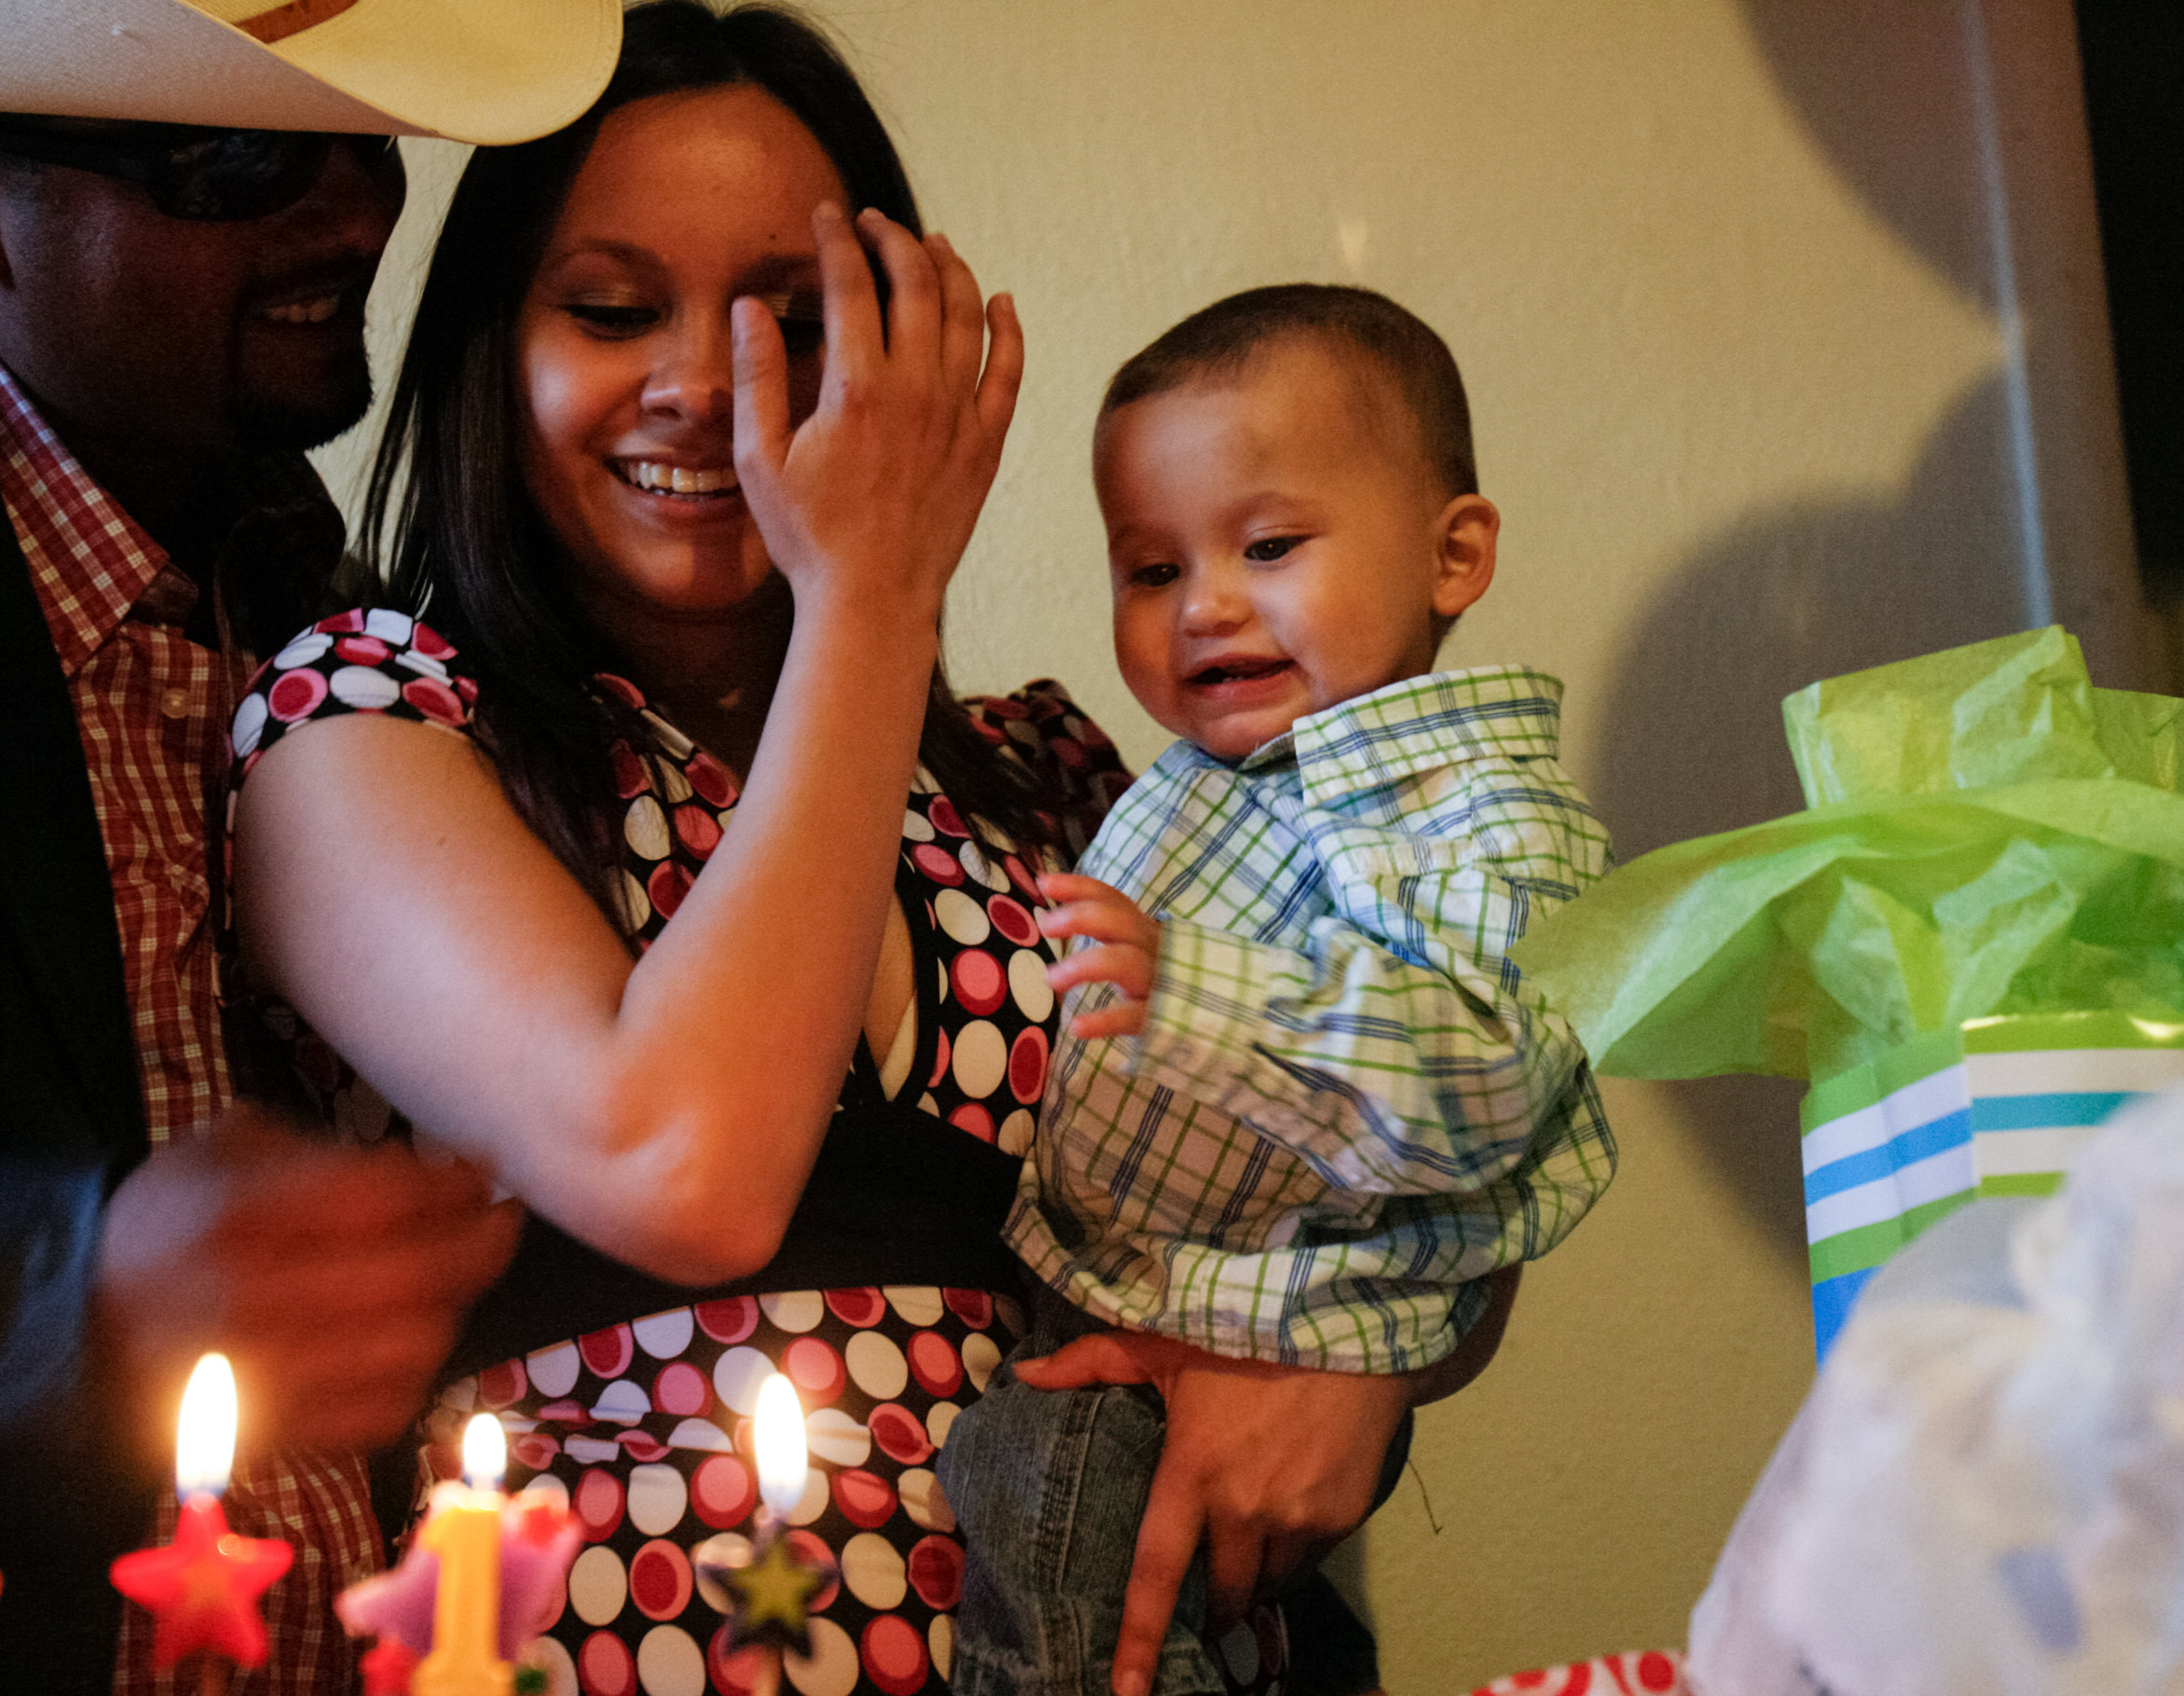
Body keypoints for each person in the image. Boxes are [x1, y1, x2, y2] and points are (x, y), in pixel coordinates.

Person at [224, 11, 1474, 1694]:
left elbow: (1431, 1105)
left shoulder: (1058, 781)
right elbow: (682, 1165)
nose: (705, 383)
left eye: (795, 325)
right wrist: (869, 594)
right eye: (611, 310)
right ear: (489, 354)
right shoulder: (376, 719)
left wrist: (1368, 1365)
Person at [0, 1, 618, 1688]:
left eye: (367, 138)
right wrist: (71, 1317)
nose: (355, 210)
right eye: (235, 156)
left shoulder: (330, 602)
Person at [936, 284, 1617, 1696]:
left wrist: (1190, 990)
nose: (1207, 606)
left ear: (1455, 553)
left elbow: (1487, 1072)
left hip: (1288, 1331)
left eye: (1267, 544)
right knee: (1031, 1488)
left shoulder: (1475, 809)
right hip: (1157, 1319)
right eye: (1149, 569)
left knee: (1069, 1558)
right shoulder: (1209, 786)